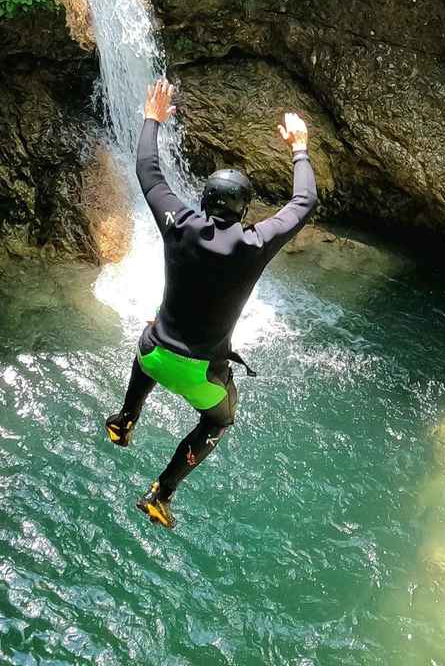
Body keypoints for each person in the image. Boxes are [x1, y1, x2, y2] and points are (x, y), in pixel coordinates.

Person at [104, 77, 317, 529]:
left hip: (156, 355)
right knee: (219, 421)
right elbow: (304, 201)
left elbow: (147, 168)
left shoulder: (177, 221)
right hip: (202, 374)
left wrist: (152, 117)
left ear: (202, 199)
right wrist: (299, 147)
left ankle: (123, 422)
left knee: (148, 338)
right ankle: (161, 493)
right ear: (243, 212)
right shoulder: (255, 243)